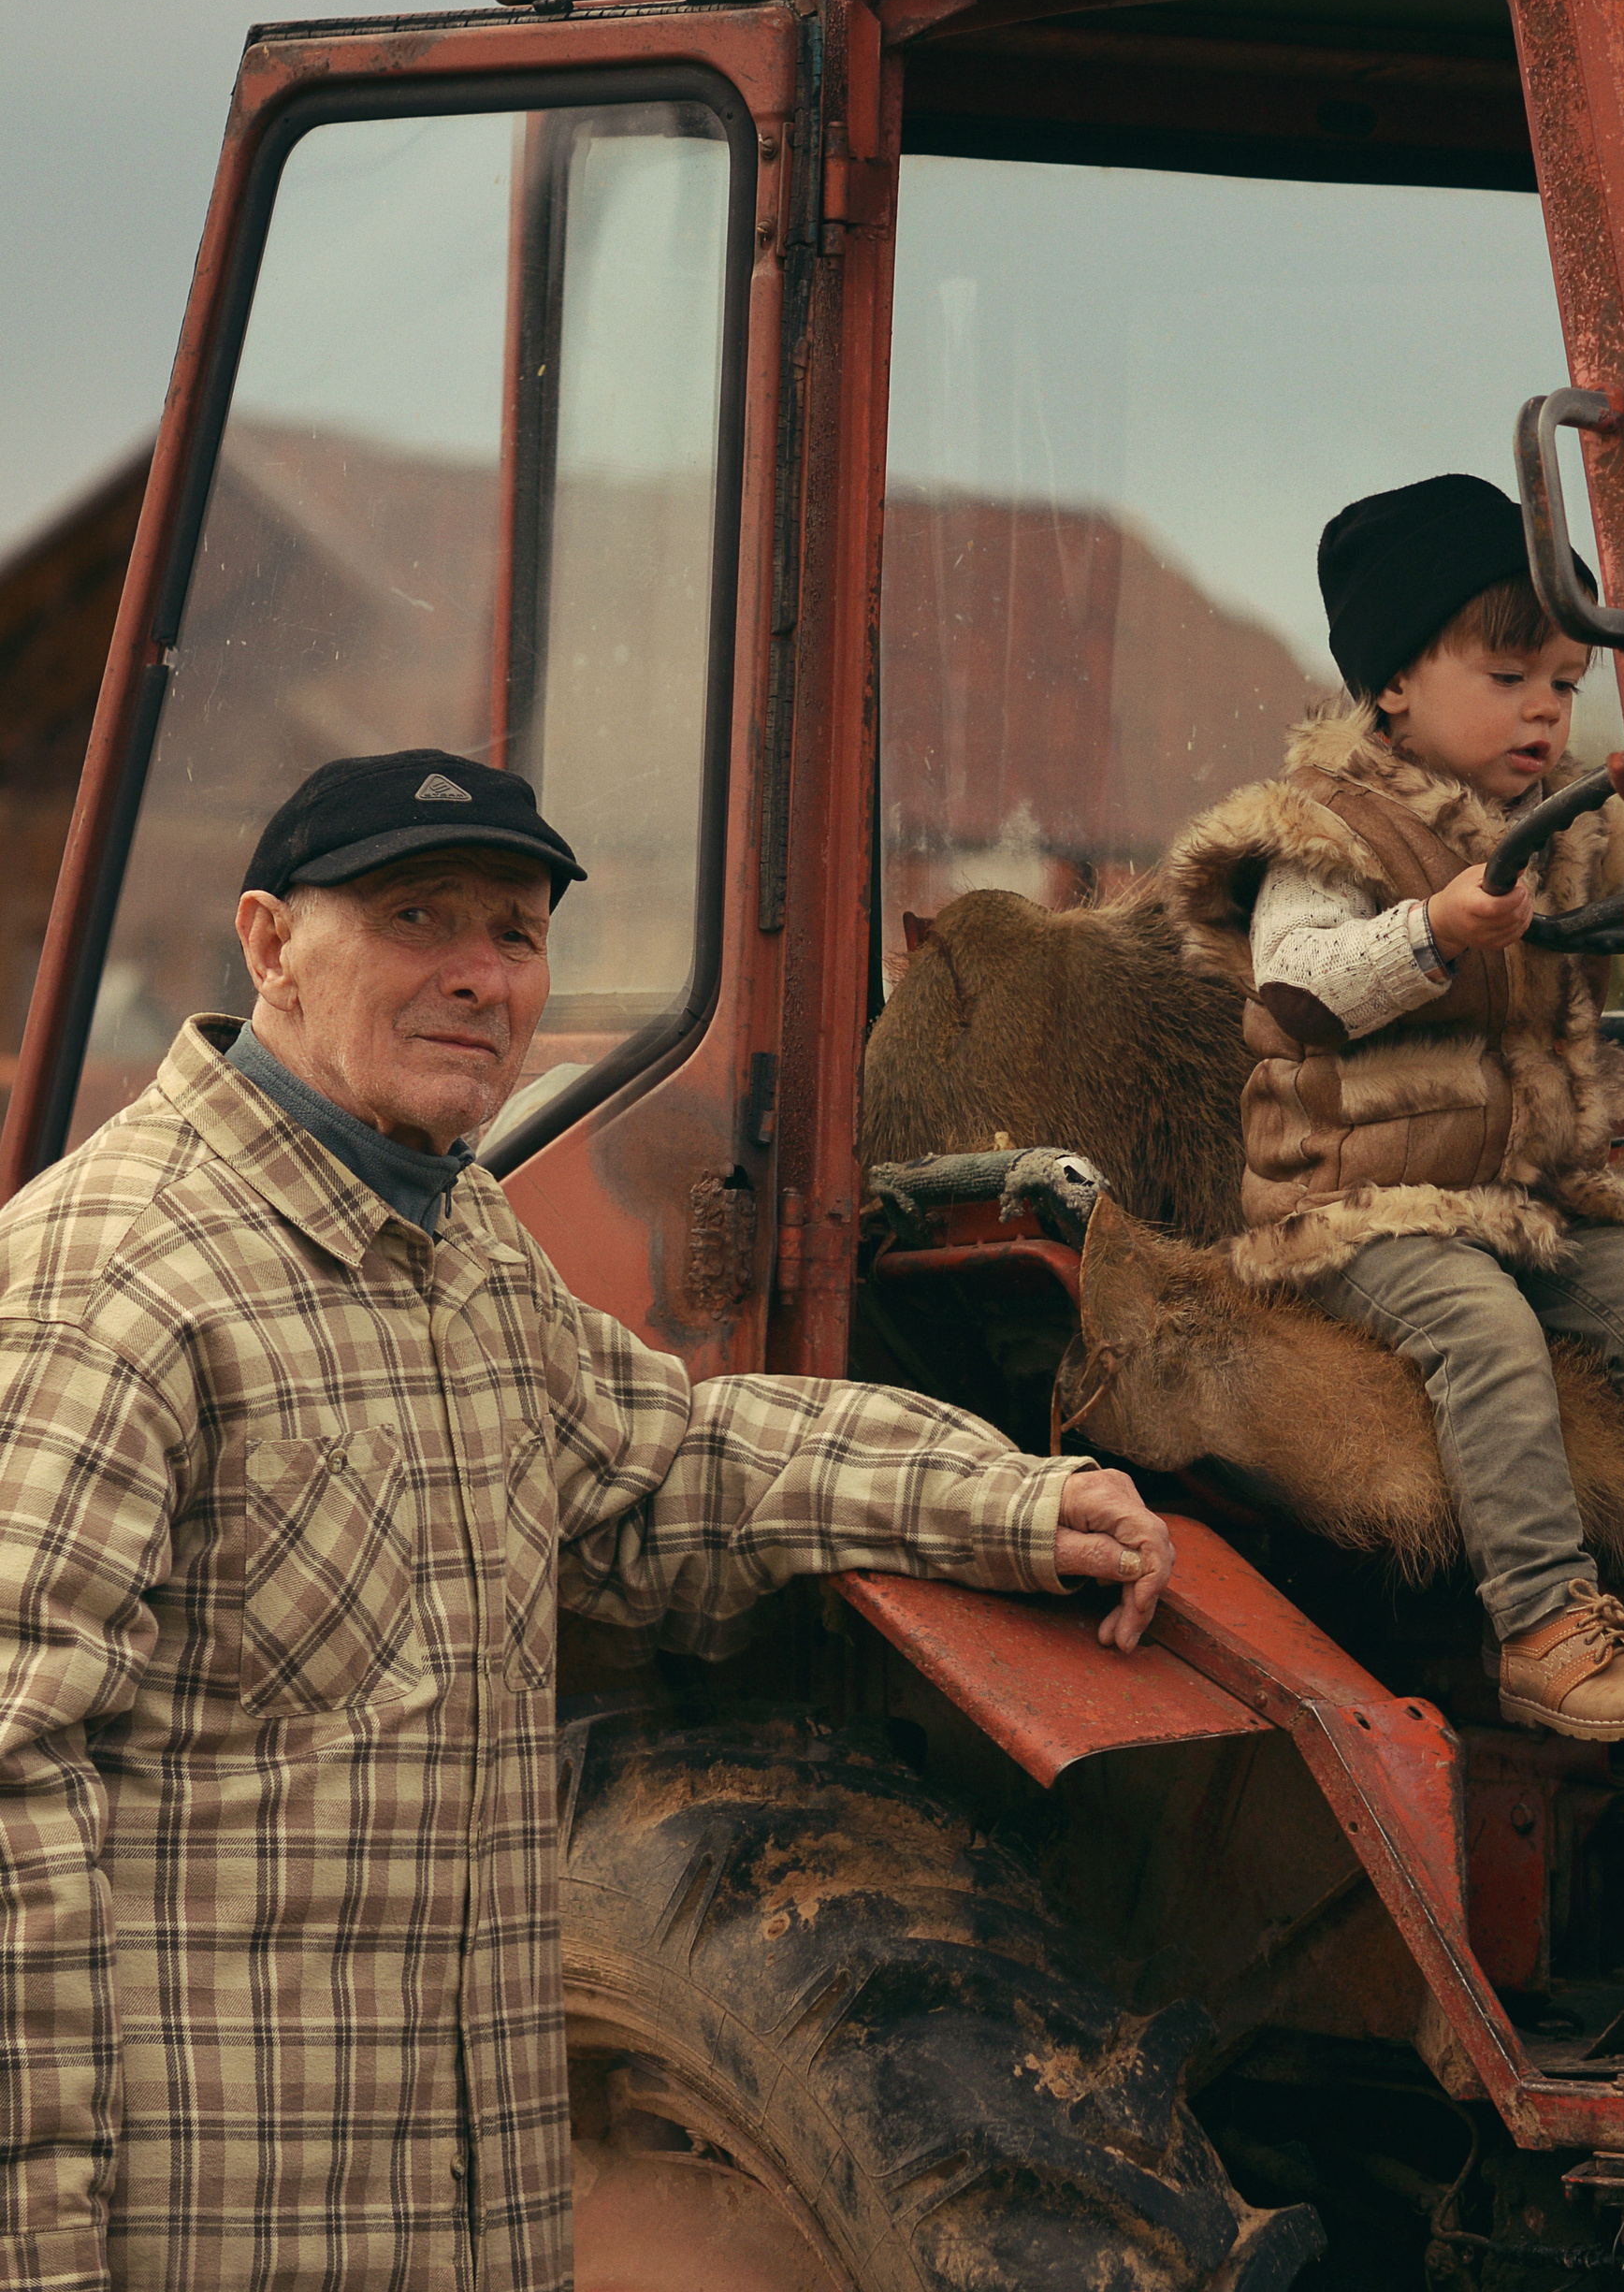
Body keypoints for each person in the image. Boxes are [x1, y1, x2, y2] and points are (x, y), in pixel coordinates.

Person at [0, 748, 1175, 2291]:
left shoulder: (454, 1236)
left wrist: (1015, 1499)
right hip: (226, 2229)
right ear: (272, 943)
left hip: (449, 2222)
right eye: (417, 918)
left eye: (516, 933)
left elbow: (658, 1462)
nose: (481, 977)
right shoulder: (120, 1274)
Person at [1168, 475, 1624, 1743]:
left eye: (1564, 683)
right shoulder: (1326, 833)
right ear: (1394, 680)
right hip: (1357, 1207)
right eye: (1509, 676)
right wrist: (1434, 935)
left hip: (1525, 1196)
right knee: (1485, 1331)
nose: (1545, 709)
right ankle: (1547, 1630)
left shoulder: (1563, 828)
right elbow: (1293, 991)